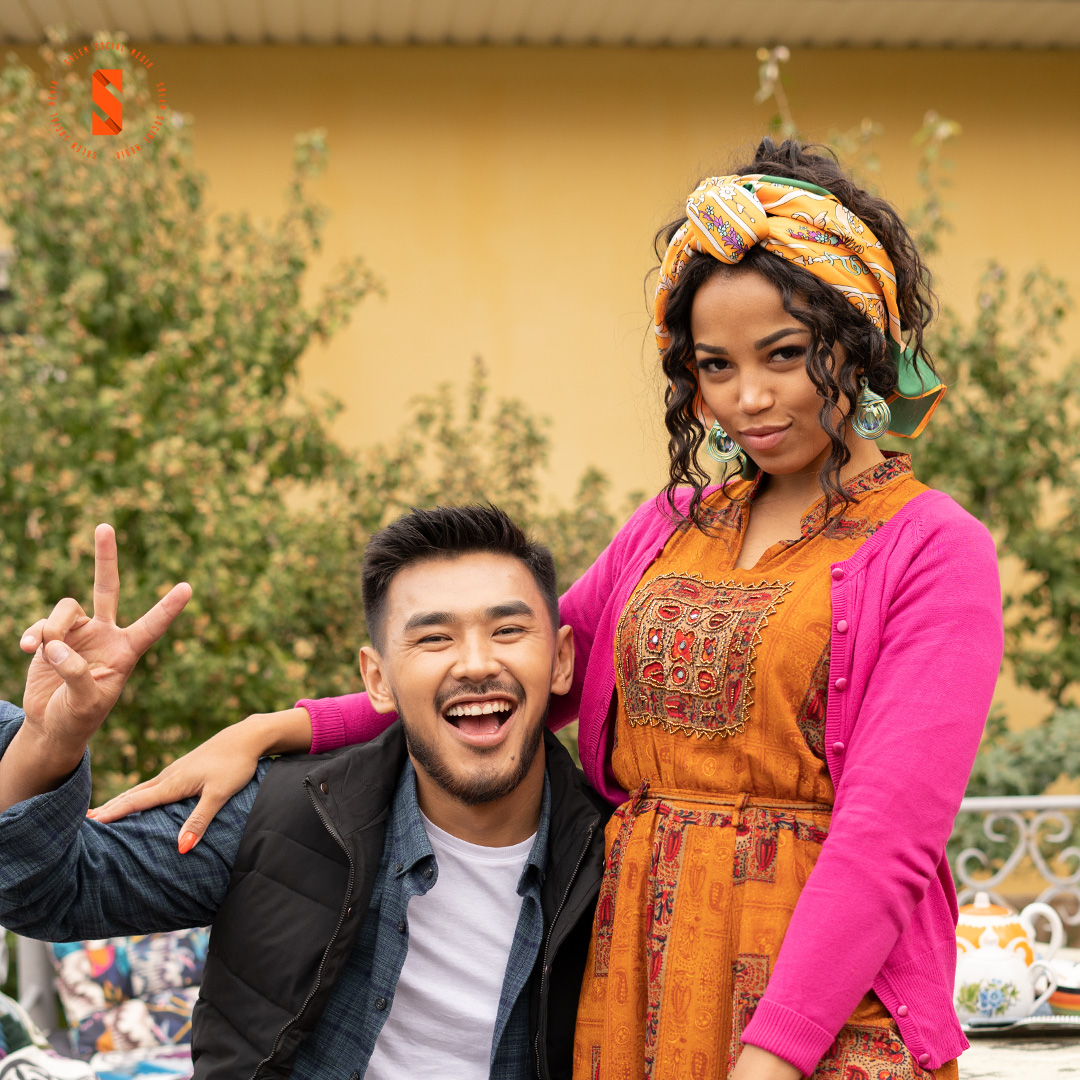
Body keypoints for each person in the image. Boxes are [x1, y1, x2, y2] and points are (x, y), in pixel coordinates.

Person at [94, 138, 1005, 1080]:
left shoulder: (934, 549)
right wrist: (274, 729)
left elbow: (886, 842)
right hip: (640, 986)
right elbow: (517, 675)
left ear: (859, 337)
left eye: (785, 355)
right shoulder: (670, 528)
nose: (749, 398)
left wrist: (772, 1059)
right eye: (715, 366)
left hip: (824, 1008)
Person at [0, 507, 610, 1080]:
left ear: (562, 661)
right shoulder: (287, 813)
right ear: (378, 680)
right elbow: (47, 891)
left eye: (508, 630)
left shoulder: (621, 862)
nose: (475, 664)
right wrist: (49, 742)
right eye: (433, 639)